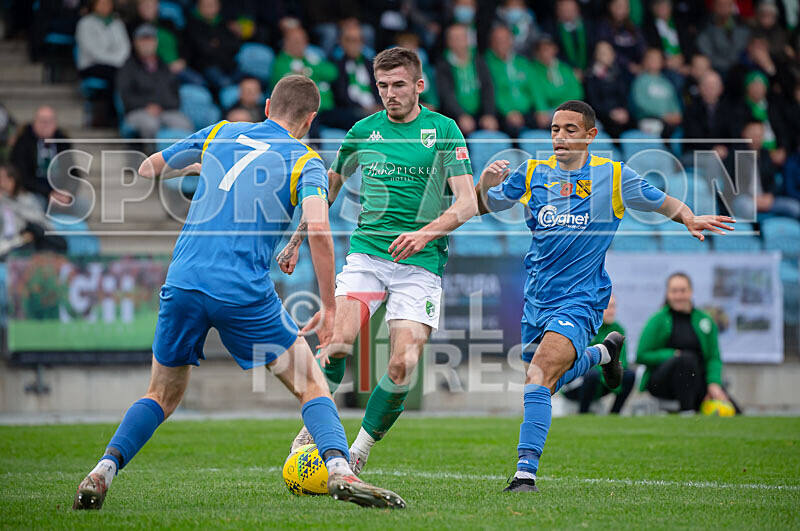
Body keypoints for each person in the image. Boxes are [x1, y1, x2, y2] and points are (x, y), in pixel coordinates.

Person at [71, 75, 405, 511]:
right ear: (309, 120)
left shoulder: (220, 131)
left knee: (160, 394)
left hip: (184, 280)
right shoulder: (307, 161)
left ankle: (102, 471)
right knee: (310, 384)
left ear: (267, 106)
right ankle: (339, 469)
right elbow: (320, 228)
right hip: (241, 290)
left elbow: (150, 167)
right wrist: (327, 305)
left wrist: (202, 165)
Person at [474, 100, 734, 492]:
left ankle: (525, 472)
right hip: (537, 297)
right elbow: (480, 206)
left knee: (540, 373)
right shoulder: (532, 172)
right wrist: (484, 185)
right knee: (544, 382)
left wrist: (689, 216)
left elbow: (661, 200)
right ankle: (602, 355)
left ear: (591, 136)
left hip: (582, 296)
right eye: (555, 129)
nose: (559, 138)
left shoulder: (614, 176)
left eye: (570, 130)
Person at [277, 48, 477, 475]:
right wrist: (296, 240)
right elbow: (325, 190)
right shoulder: (362, 131)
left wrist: (424, 233)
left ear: (419, 86)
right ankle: (310, 433)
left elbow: (465, 204)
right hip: (368, 255)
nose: (390, 94)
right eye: (383, 86)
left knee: (403, 363)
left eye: (399, 85)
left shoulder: (443, 130)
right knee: (335, 345)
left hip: (421, 261)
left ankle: (360, 449)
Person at [636, 272, 733, 413]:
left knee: (732, 410)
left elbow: (713, 357)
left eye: (683, 290)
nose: (679, 295)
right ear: (667, 294)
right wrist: (672, 355)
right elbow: (642, 355)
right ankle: (687, 411)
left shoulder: (705, 320)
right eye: (674, 291)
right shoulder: (657, 320)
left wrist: (714, 383)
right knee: (687, 359)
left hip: (698, 379)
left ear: (691, 292)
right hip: (662, 382)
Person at [116, 24, 193, 141]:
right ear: (135, 42)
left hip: (166, 110)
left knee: (184, 124)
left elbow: (175, 96)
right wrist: (146, 106)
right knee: (150, 125)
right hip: (138, 111)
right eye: (143, 40)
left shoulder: (164, 67)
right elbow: (125, 96)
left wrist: (161, 106)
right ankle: (150, 157)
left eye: (150, 39)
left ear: (156, 42)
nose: (147, 43)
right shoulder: (128, 67)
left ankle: (182, 158)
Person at [562, 294, 635, 414]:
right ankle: (582, 414)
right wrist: (609, 372)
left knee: (629, 375)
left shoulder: (618, 329)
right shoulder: (585, 327)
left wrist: (613, 373)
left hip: (600, 379)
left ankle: (614, 415)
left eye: (613, 306)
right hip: (575, 382)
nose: (611, 311)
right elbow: (579, 363)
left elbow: (623, 361)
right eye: (606, 307)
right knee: (592, 374)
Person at [75, 0, 132, 126]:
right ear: (94, 5)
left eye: (108, 3)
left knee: (125, 73)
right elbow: (92, 50)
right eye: (101, 3)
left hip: (116, 65)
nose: (105, 6)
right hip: (91, 65)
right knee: (117, 76)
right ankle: (113, 116)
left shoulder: (117, 23)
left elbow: (125, 48)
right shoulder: (85, 23)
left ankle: (124, 114)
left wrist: (117, 61)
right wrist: (115, 61)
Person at [436, 23, 498, 136]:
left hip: (479, 114)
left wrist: (489, 114)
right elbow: (446, 95)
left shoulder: (479, 61)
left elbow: (488, 88)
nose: (458, 42)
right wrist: (461, 115)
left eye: (461, 38)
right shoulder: (443, 65)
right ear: (448, 42)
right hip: (455, 117)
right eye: (454, 38)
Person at [9, 105, 75, 208]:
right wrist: (48, 193)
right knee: (37, 203)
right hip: (34, 190)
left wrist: (66, 192)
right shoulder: (23, 142)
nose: (46, 125)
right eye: (42, 121)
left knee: (82, 205)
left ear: (55, 124)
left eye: (50, 121)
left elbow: (73, 174)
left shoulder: (62, 142)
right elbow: (21, 175)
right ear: (34, 122)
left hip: (59, 190)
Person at [0, 165, 66, 258]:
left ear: (13, 180)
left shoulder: (27, 198)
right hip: (6, 244)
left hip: (26, 242)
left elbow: (41, 221)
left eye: (4, 179)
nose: (2, 183)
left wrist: (11, 205)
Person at [484, 24, 536, 137]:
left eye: (505, 39)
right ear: (491, 43)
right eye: (498, 40)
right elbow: (491, 92)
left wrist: (541, 110)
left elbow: (534, 87)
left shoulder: (522, 62)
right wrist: (508, 112)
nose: (502, 43)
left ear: (511, 41)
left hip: (526, 112)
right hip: (502, 113)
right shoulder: (486, 63)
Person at [329, 21, 381, 130]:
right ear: (342, 42)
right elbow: (341, 97)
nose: (355, 45)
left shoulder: (371, 64)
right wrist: (366, 109)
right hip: (353, 112)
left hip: (377, 109)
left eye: (358, 40)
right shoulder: (335, 65)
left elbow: (380, 90)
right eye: (350, 40)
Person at [182, 0, 241, 92]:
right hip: (204, 68)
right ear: (198, 7)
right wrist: (221, 46)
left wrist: (217, 45)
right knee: (225, 83)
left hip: (228, 65)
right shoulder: (191, 25)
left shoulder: (224, 24)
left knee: (247, 77)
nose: (209, 8)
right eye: (206, 5)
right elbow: (203, 50)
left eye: (212, 5)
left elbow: (235, 47)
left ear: (218, 6)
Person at [528, 35, 584, 130]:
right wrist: (541, 109)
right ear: (537, 53)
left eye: (548, 49)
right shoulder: (534, 70)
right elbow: (537, 93)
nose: (545, 53)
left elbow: (576, 92)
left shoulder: (565, 69)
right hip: (549, 111)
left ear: (555, 49)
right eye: (542, 50)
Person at [584, 41, 633, 138]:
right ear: (596, 55)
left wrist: (624, 112)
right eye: (602, 52)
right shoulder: (590, 76)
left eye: (608, 52)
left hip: (622, 115)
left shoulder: (619, 73)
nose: (606, 55)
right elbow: (593, 102)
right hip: (602, 116)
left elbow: (625, 96)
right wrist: (610, 113)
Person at [630, 48, 682, 138]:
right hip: (649, 120)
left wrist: (676, 114)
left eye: (657, 58)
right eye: (651, 58)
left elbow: (674, 102)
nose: (654, 61)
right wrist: (663, 115)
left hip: (669, 121)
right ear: (645, 61)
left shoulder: (666, 83)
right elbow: (640, 103)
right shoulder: (640, 81)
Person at [696, 0, 750, 75]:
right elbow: (707, 54)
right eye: (720, 4)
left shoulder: (742, 25)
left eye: (727, 4)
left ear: (732, 6)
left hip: (738, 70)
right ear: (714, 6)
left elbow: (742, 50)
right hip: (714, 70)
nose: (724, 8)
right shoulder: (704, 26)